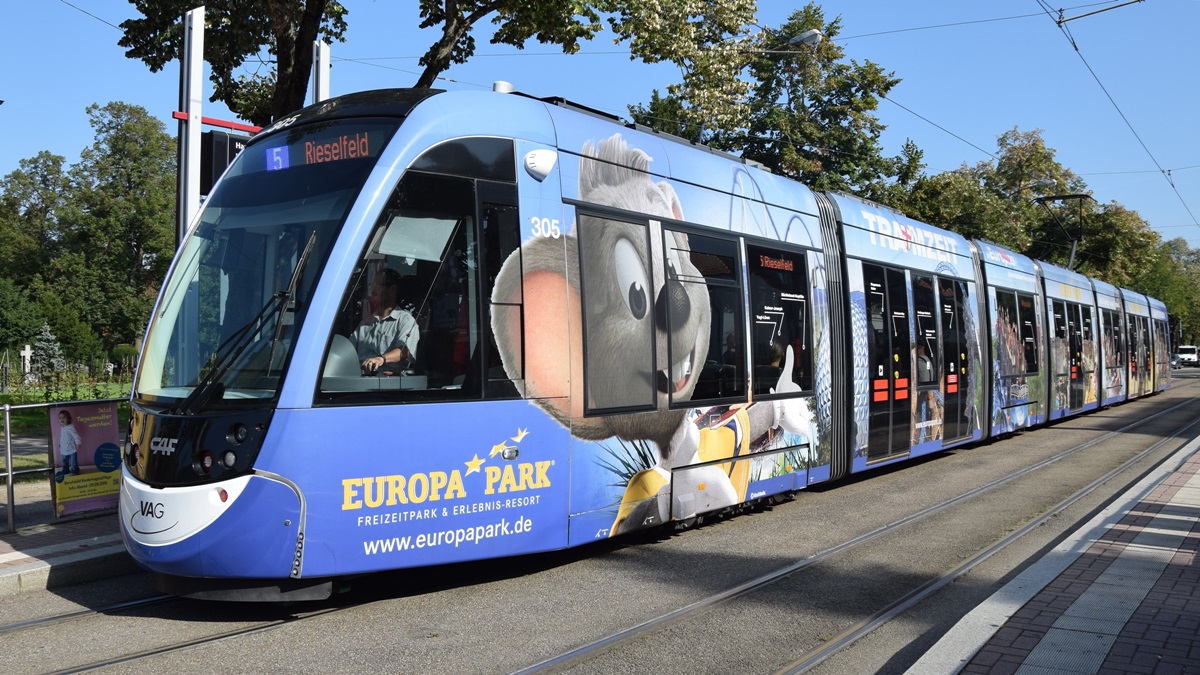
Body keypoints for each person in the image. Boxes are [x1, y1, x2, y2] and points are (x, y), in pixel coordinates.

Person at [349, 267, 420, 375]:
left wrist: (380, 359)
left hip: (389, 381)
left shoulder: (405, 321)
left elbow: (404, 351)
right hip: (359, 379)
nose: (372, 289)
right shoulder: (365, 323)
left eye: (377, 285)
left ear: (392, 290)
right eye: (372, 284)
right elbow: (348, 350)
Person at [58, 410, 81, 476]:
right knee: (64, 460)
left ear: (68, 418)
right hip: (64, 448)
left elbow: (75, 435)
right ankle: (65, 470)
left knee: (73, 461)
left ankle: (75, 470)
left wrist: (78, 443)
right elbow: (63, 437)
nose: (62, 419)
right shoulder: (62, 427)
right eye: (60, 418)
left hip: (71, 448)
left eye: (64, 417)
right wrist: (60, 443)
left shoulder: (70, 427)